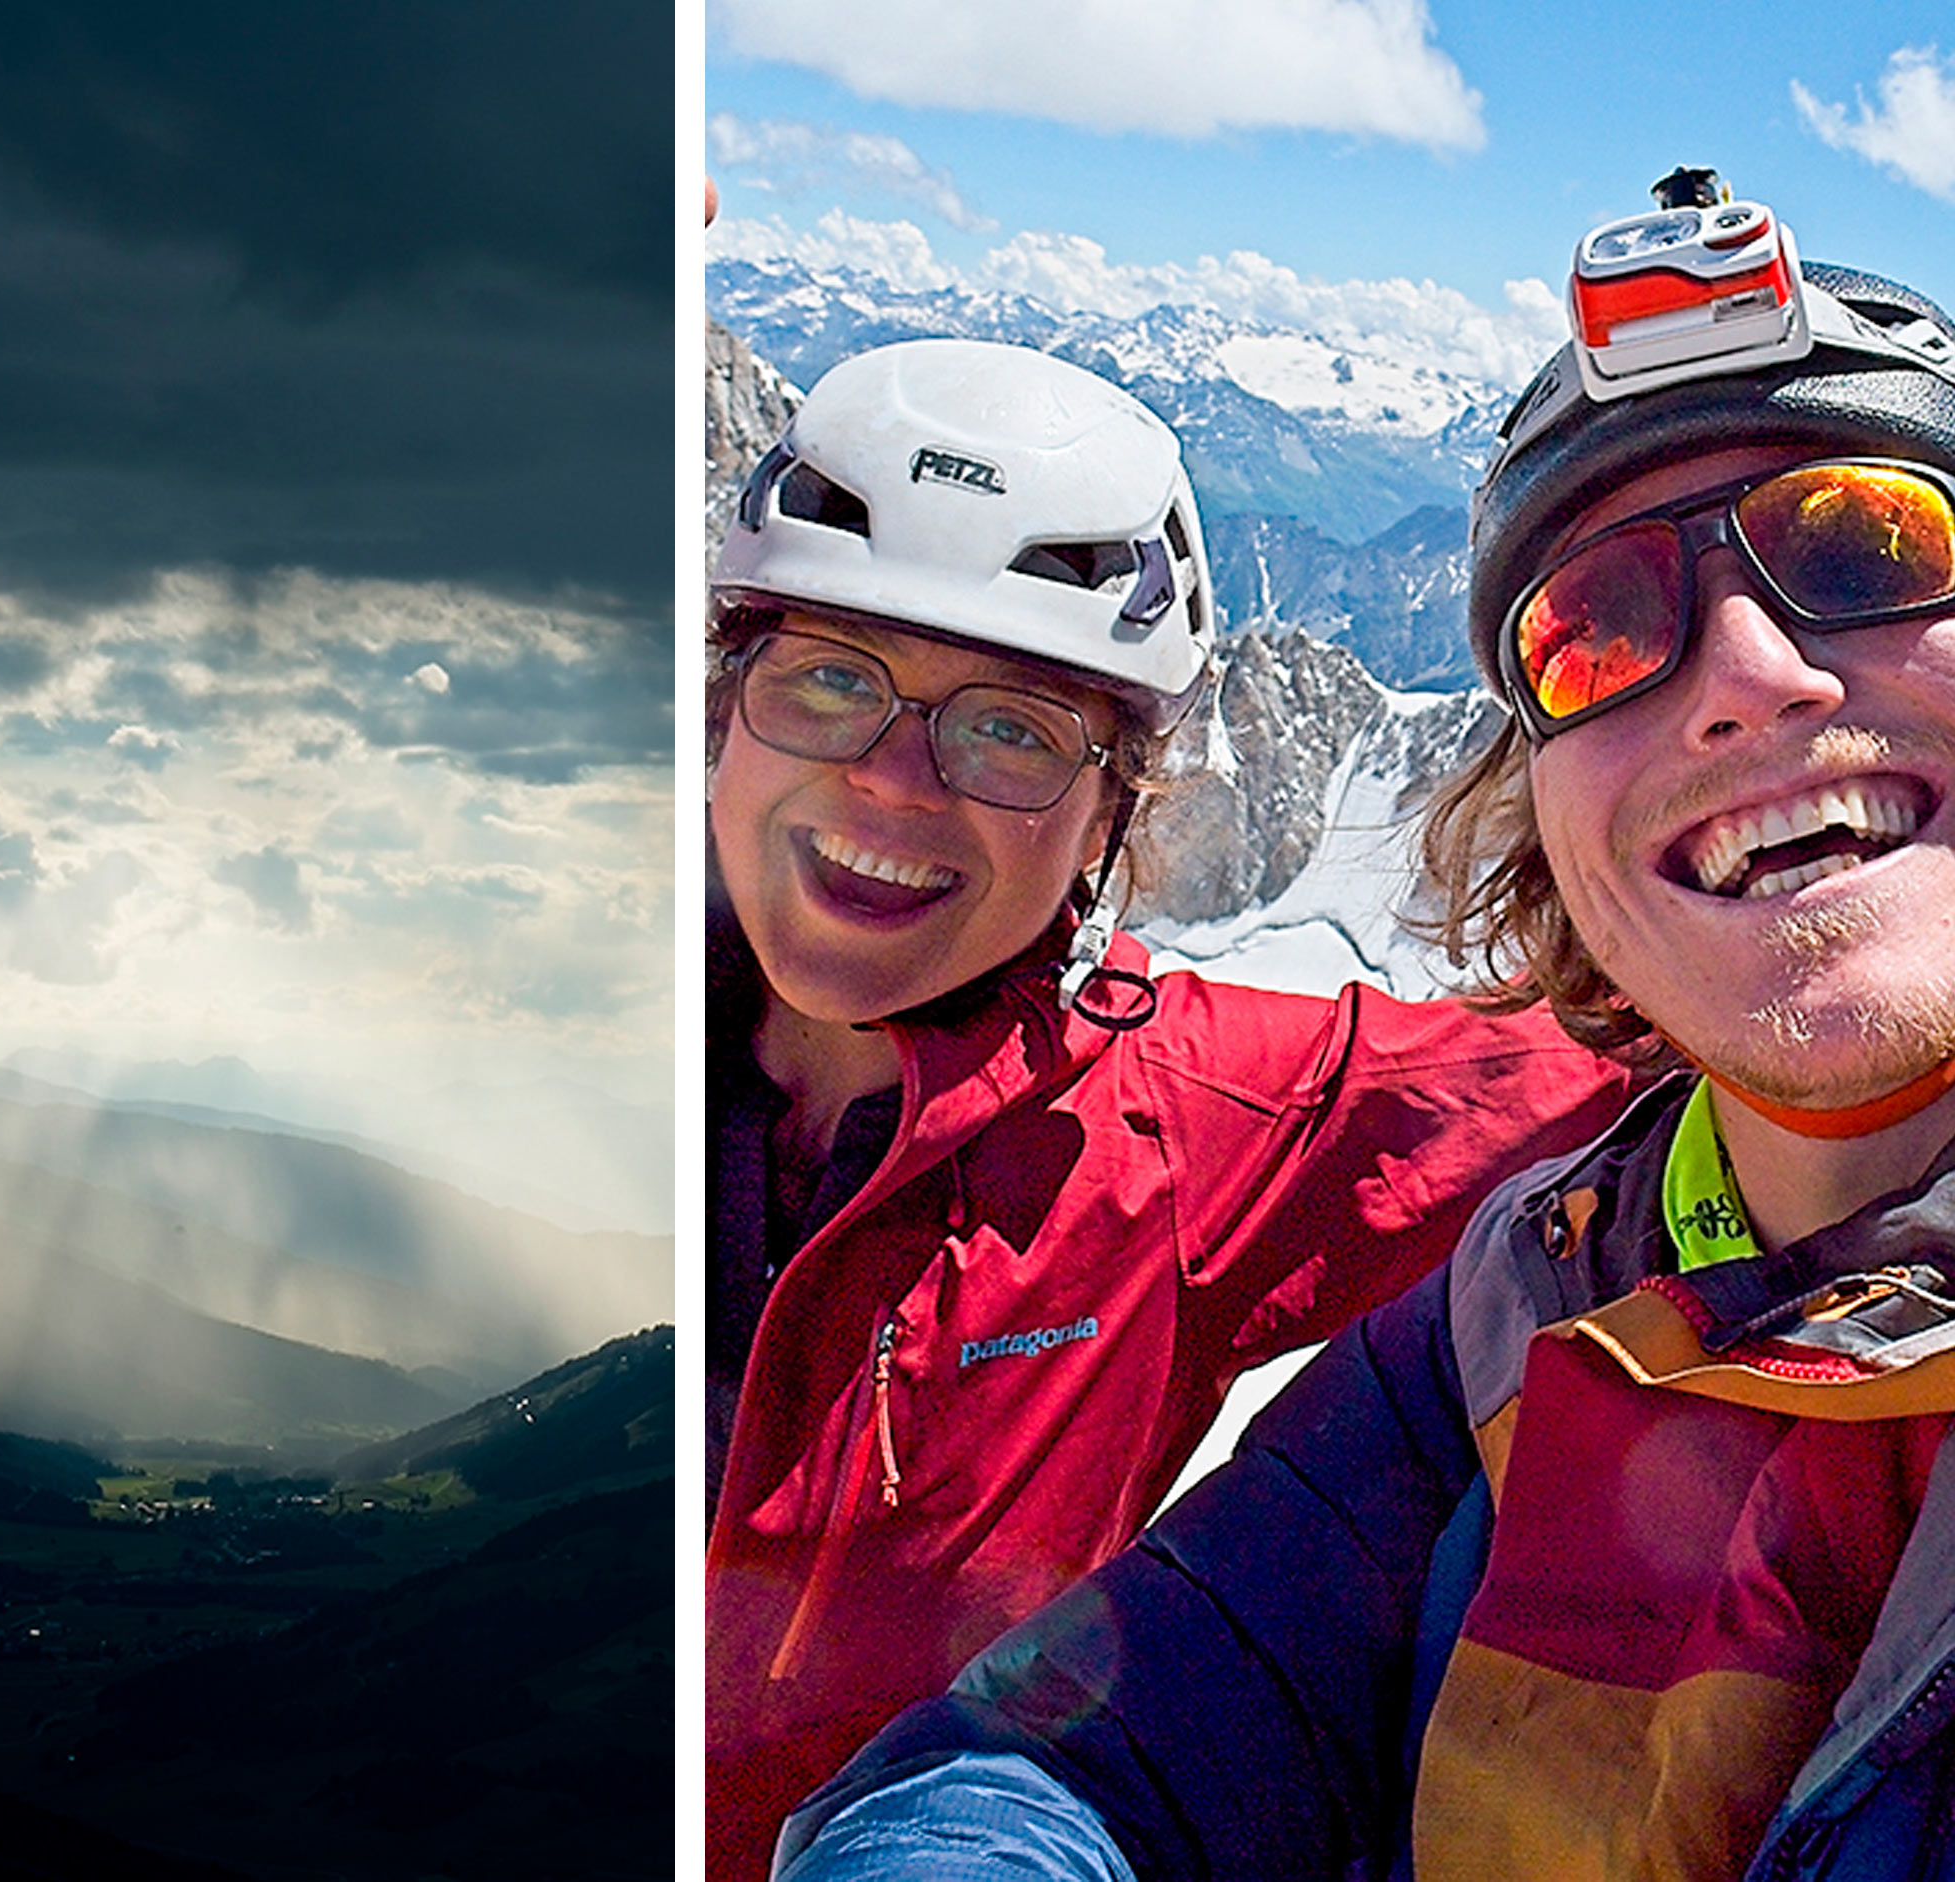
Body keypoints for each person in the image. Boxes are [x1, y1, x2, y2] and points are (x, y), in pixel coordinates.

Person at [774, 173, 1955, 1880]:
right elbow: (1081, 1753)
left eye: (1868, 548)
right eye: (1600, 626)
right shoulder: (1511, 1318)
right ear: (1542, 820)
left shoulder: (1229, 1150)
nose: (1751, 668)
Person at [705, 335, 1640, 1882]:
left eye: (1008, 726)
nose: (891, 781)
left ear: (1110, 814)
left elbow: (1661, 1046)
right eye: (829, 680)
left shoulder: (1190, 1124)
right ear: (727, 705)